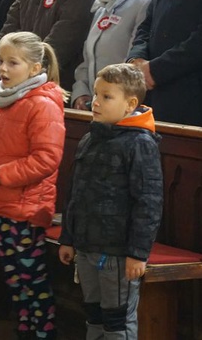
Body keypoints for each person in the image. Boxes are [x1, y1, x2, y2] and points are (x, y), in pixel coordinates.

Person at [0, 31, 66, 340]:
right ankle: (25, 331)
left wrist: (2, 175)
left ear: (35, 69)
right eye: (2, 62)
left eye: (14, 63)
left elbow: (47, 159)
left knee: (32, 281)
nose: (4, 69)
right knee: (14, 280)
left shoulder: (42, 104)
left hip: (27, 207)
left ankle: (43, 333)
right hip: (1, 204)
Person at [59, 63, 163, 340]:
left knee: (117, 320)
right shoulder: (91, 137)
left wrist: (138, 253)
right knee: (93, 313)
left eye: (106, 96)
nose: (95, 102)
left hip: (117, 251)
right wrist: (68, 238)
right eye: (95, 94)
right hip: (86, 245)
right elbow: (75, 193)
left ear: (130, 104)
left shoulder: (140, 143)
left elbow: (148, 201)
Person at [72, 0, 159, 110]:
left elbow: (134, 63)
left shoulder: (146, 1)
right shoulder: (106, 2)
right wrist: (81, 92)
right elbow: (88, 56)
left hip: (122, 106)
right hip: (97, 103)